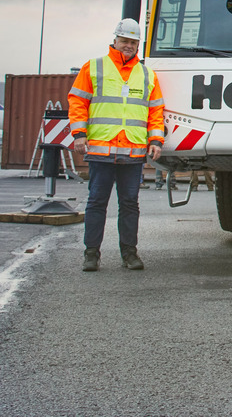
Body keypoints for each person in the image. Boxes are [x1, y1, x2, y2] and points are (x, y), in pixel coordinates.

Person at [69, 18, 165, 272]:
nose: (129, 46)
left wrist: (156, 140)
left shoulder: (146, 74)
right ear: (115, 40)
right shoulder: (94, 67)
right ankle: (91, 254)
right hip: (101, 151)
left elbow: (155, 111)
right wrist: (79, 134)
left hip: (133, 152)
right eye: (125, 41)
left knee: (130, 204)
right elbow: (77, 102)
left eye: (133, 42)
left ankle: (129, 254)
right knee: (97, 202)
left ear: (138, 44)